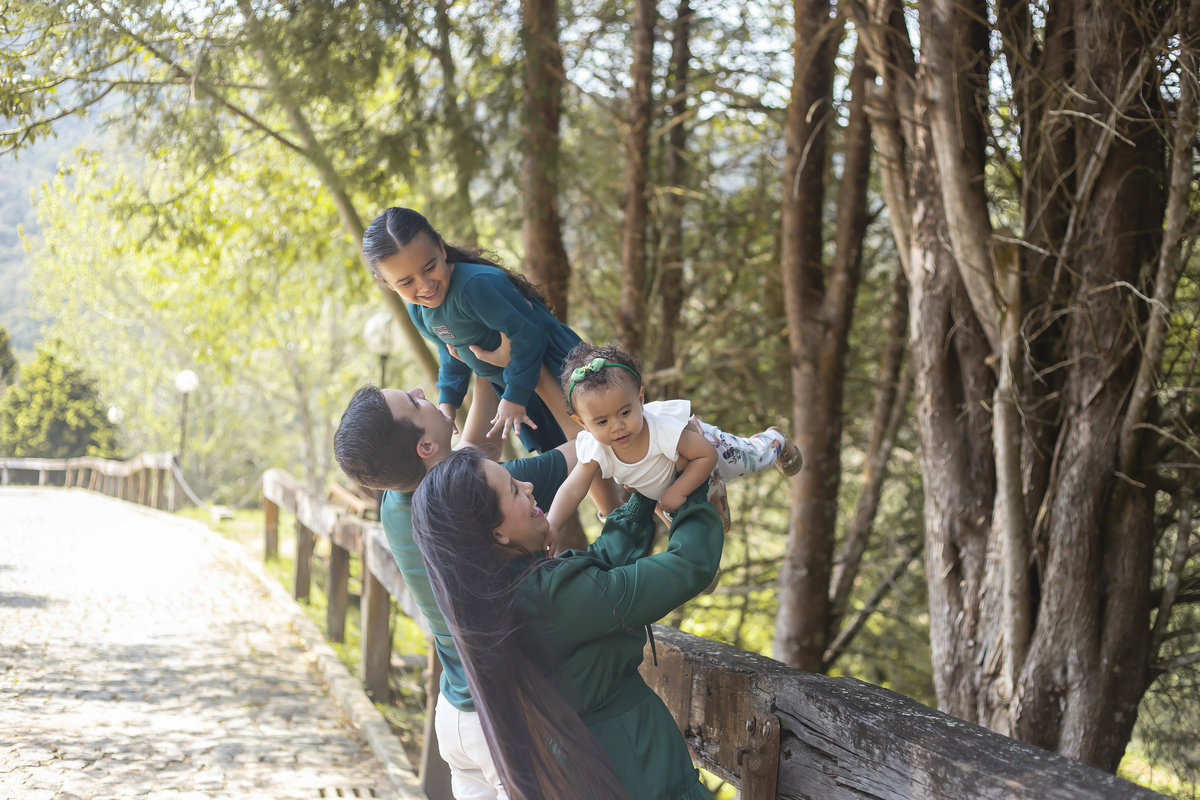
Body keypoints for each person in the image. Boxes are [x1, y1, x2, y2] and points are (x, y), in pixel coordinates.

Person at [334, 378, 604, 799]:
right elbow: (590, 443)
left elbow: (477, 448)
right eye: (413, 401)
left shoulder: (398, 502)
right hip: (505, 712)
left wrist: (480, 370)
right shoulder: (492, 492)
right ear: (424, 447)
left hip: (456, 711)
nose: (423, 392)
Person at [410, 446, 722, 800]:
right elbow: (689, 566)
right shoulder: (548, 599)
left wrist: (642, 499)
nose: (528, 486)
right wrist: (693, 488)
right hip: (639, 771)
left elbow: (598, 573)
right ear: (497, 534)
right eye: (513, 489)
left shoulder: (504, 596)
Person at [361, 206, 583, 452]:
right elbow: (451, 353)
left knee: (588, 444)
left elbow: (529, 334)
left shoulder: (475, 286)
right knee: (568, 455)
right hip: (516, 384)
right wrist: (448, 404)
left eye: (429, 267)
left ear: (441, 246)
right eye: (407, 282)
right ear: (386, 284)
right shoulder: (420, 312)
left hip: (553, 368)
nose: (425, 285)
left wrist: (513, 396)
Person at [546, 342, 802, 535]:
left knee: (751, 459)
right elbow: (573, 488)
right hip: (667, 487)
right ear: (582, 423)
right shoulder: (594, 449)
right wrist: (553, 524)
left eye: (625, 412)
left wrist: (676, 492)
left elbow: (706, 455)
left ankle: (775, 442)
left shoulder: (661, 429)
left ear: (640, 399)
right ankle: (704, 553)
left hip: (709, 450)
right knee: (687, 526)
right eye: (602, 422)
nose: (618, 427)